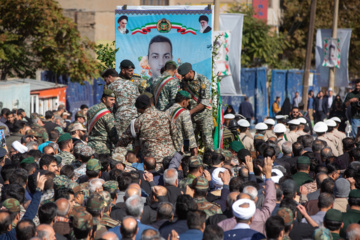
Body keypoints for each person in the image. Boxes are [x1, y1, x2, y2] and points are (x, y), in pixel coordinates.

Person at [117, 94, 177, 167]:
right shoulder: (165, 115)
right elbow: (175, 133)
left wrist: (117, 147)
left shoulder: (139, 120)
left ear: (139, 108)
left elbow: (125, 139)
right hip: (170, 158)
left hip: (152, 161)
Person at [178, 62, 214, 149]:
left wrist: (189, 112)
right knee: (191, 142)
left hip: (204, 116)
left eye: (184, 75)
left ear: (190, 72)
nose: (182, 77)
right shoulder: (184, 82)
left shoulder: (203, 80)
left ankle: (211, 161)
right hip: (191, 117)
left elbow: (204, 102)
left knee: (207, 140)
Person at [108, 61, 140, 137]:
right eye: (130, 71)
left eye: (132, 71)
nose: (132, 73)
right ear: (123, 70)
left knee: (122, 142)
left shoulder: (112, 85)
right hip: (133, 116)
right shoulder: (132, 84)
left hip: (122, 117)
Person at [87, 89, 118, 154]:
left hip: (90, 146)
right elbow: (113, 134)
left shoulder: (91, 110)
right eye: (111, 100)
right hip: (102, 148)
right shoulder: (107, 114)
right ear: (104, 99)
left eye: (114, 100)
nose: (113, 102)